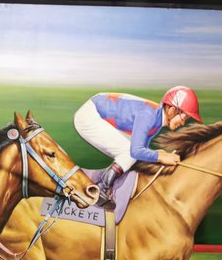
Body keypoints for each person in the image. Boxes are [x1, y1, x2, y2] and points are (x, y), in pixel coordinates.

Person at [73, 86, 202, 207]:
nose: (183, 123)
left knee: (131, 154)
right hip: (89, 116)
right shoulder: (149, 115)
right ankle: (100, 189)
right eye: (184, 117)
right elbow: (136, 151)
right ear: (172, 110)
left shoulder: (156, 119)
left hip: (97, 111)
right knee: (128, 152)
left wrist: (158, 155)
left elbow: (141, 149)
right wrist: (160, 157)